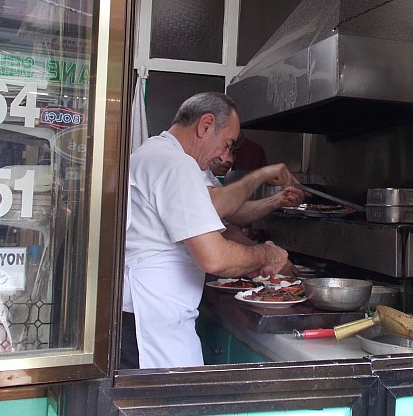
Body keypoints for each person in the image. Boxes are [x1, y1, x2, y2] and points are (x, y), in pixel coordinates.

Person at [122, 92, 299, 369]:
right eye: (227, 143)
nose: (225, 155)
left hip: (142, 317)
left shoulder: (153, 153)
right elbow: (214, 257)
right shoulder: (177, 164)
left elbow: (221, 225)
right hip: (149, 327)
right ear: (205, 125)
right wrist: (265, 255)